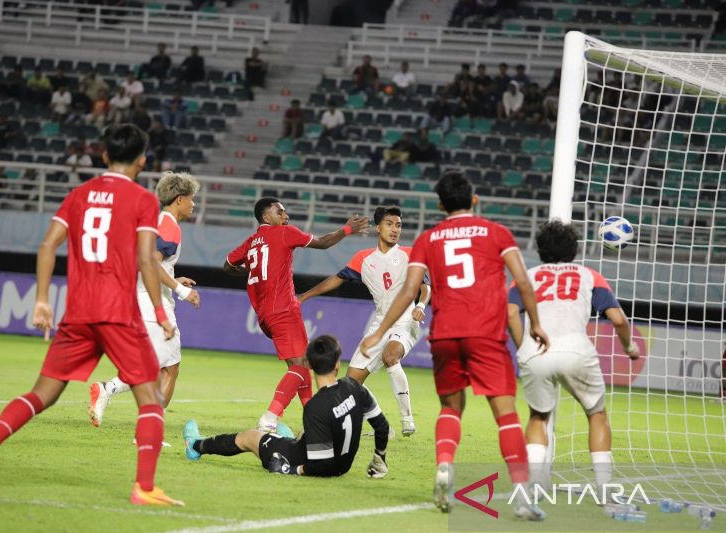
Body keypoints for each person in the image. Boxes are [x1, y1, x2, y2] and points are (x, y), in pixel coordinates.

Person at [0, 124, 184, 507]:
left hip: (78, 312)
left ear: (104, 156)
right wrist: (161, 311)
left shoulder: (79, 195)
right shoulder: (144, 200)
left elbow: (48, 245)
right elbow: (146, 259)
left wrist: (42, 299)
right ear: (143, 161)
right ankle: (144, 487)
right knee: (149, 398)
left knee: (41, 393)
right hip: (118, 314)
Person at [359, 171, 549, 519]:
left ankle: (445, 469)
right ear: (474, 200)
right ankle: (522, 497)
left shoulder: (428, 239)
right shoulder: (497, 233)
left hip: (445, 335)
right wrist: (535, 322)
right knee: (505, 414)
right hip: (486, 333)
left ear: (440, 205)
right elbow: (522, 280)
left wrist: (379, 330)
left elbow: (407, 291)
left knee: (450, 409)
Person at [506, 220, 640, 498]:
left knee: (538, 417)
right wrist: (629, 347)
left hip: (536, 351)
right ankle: (604, 488)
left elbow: (509, 313)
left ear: (541, 249)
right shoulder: (589, 275)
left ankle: (536, 484)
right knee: (597, 414)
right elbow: (618, 319)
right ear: (574, 250)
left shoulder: (526, 275)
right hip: (576, 349)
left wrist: (523, 347)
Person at [224, 198, 369, 432]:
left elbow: (227, 265)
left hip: (265, 315)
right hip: (283, 310)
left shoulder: (251, 243)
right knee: (302, 364)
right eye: (280, 212)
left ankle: (313, 420)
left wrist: (252, 271)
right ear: (266, 217)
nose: (286, 216)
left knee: (300, 364)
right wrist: (347, 229)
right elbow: (322, 243)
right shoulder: (283, 233)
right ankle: (271, 416)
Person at [298, 206, 431, 436]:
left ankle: (407, 419)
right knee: (351, 385)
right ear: (378, 228)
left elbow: (425, 285)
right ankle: (382, 426)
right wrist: (304, 296)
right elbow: (336, 280)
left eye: (398, 225)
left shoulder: (410, 254)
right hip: (379, 324)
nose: (395, 229)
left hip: (405, 320)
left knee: (391, 356)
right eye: (389, 224)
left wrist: (421, 305)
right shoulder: (363, 259)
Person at [183, 335, 390, 479]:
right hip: (344, 465)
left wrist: (290, 470)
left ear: (309, 363)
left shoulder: (316, 406)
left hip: (315, 463)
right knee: (305, 433)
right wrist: (379, 460)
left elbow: (321, 465)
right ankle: (290, 440)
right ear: (337, 364)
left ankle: (194, 446)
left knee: (250, 437)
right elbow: (382, 427)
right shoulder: (354, 386)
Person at [90, 172, 202, 434]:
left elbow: (154, 262)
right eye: (191, 199)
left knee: (164, 368)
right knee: (163, 370)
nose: (193, 204)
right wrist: (180, 291)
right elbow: (150, 261)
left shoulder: (159, 221)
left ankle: (117, 398)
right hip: (153, 304)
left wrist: (175, 278)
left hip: (143, 299)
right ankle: (137, 421)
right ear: (178, 200)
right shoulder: (170, 226)